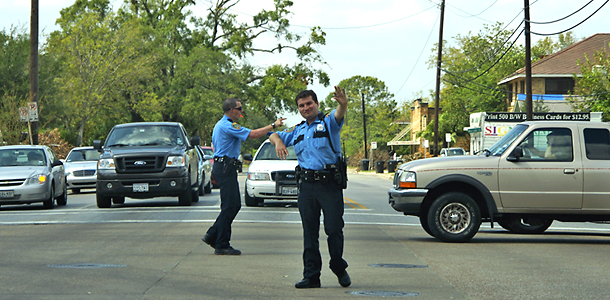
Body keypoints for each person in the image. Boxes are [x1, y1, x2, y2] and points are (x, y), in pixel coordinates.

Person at [269, 87, 350, 288]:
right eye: (301, 105)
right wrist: (279, 141)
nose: (306, 108)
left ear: (317, 104)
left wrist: (343, 103)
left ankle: (338, 266)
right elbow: (273, 135)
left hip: (329, 185)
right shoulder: (297, 130)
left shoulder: (328, 123)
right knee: (309, 232)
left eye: (309, 104)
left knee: (333, 229)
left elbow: (340, 113)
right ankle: (311, 276)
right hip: (306, 186)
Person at [202, 98, 285, 255]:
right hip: (225, 167)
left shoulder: (222, 124)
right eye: (239, 108)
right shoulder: (228, 125)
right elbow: (253, 134)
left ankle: (214, 235)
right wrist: (273, 126)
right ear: (232, 110)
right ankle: (220, 243)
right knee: (230, 205)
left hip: (225, 167)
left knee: (232, 205)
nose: (241, 111)